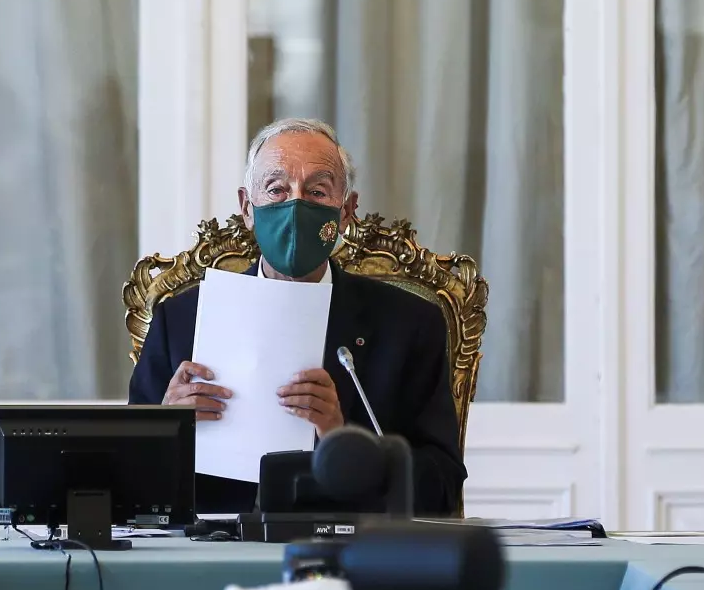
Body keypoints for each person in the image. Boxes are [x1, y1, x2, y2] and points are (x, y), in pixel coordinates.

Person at [127, 118, 467, 515]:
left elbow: (441, 488)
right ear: (247, 208)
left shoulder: (409, 324)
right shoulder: (181, 319)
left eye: (317, 191)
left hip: (348, 540)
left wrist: (341, 439)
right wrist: (168, 428)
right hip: (213, 539)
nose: (295, 206)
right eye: (276, 189)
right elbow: (128, 482)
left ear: (346, 212)